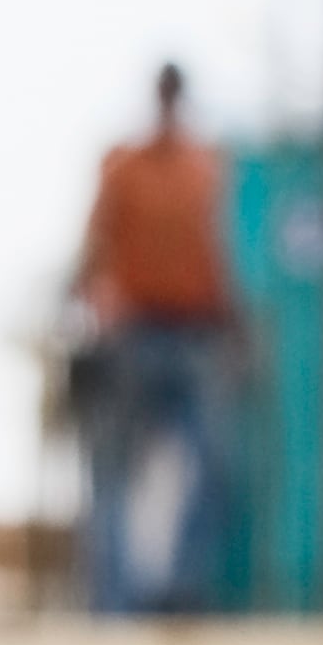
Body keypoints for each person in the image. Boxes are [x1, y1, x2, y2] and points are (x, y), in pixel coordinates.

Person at [66, 64, 246, 615]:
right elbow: (95, 244)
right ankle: (114, 604)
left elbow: (218, 255)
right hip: (133, 336)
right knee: (112, 473)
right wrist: (89, 304)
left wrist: (235, 325)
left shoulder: (205, 169)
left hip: (193, 335)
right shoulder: (123, 166)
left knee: (215, 463)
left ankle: (178, 591)